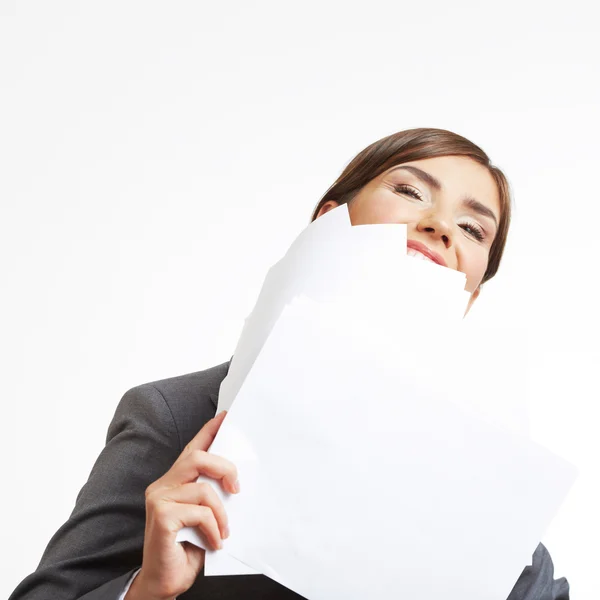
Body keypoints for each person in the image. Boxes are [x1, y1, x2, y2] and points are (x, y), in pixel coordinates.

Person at [8, 127, 570, 600]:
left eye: (474, 230)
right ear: (328, 220)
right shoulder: (177, 416)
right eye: (409, 190)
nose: (441, 227)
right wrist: (146, 588)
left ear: (471, 293)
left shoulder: (483, 471)